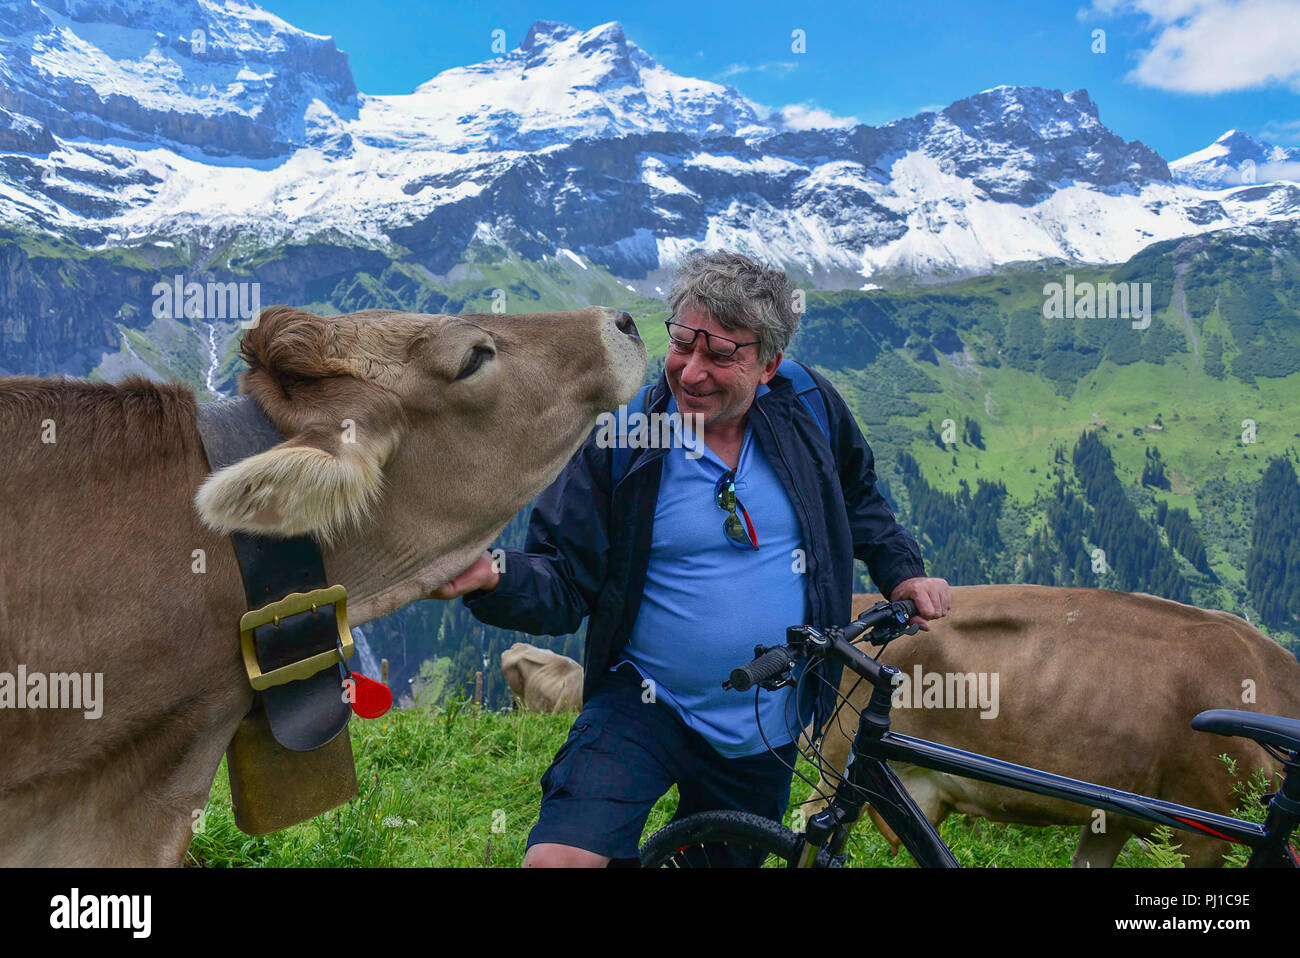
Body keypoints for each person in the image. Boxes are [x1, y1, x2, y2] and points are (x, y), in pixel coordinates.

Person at [432, 250, 951, 866]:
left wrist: (902, 570)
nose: (691, 371)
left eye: (721, 355)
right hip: (645, 700)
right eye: (682, 345)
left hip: (768, 718)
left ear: (769, 365)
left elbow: (857, 494)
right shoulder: (622, 440)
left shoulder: (809, 407)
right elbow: (567, 580)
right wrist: (495, 575)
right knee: (559, 860)